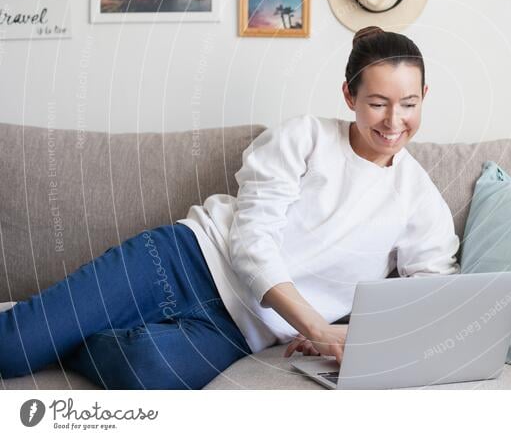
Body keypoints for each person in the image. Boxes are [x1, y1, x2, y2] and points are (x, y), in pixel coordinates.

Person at [0, 26, 460, 389]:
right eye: (378, 103)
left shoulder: (420, 200)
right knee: (11, 350)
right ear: (349, 96)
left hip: (240, 330)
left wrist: (358, 334)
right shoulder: (306, 137)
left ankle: (69, 333)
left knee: (148, 373)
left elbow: (431, 294)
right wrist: (316, 326)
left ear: (424, 98)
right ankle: (48, 326)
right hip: (183, 261)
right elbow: (251, 243)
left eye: (409, 104)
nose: (393, 121)